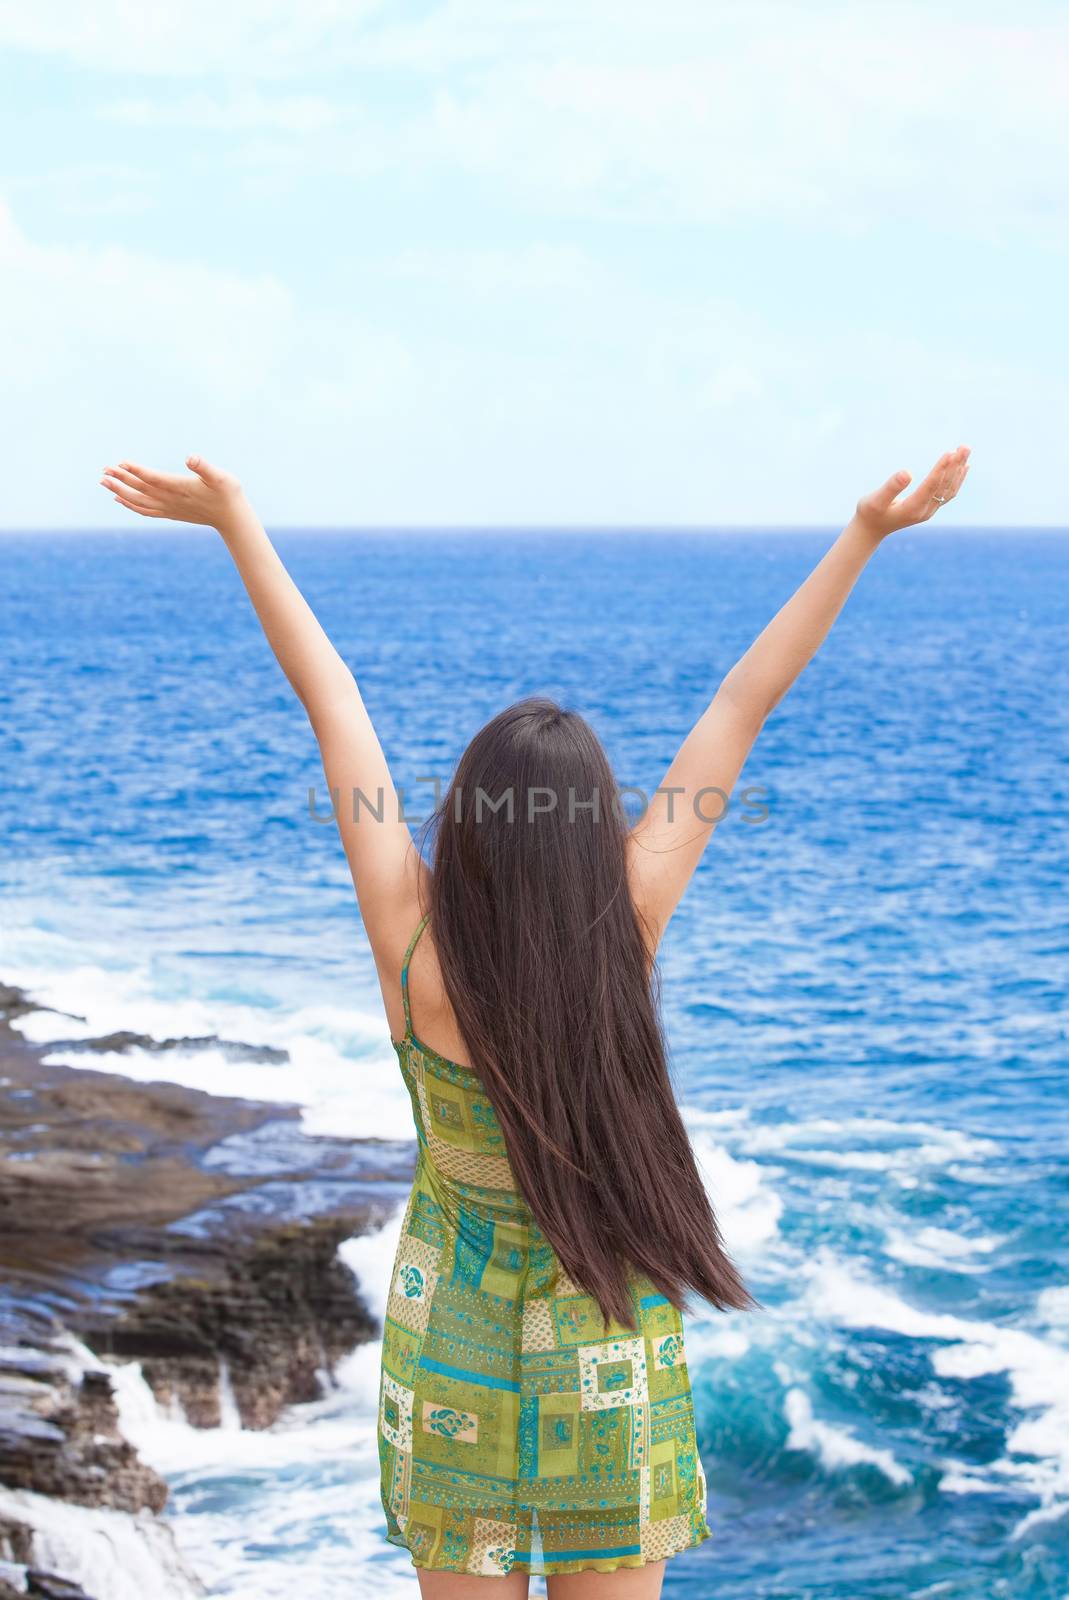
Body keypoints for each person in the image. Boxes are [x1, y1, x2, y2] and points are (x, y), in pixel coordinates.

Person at [100, 445, 970, 1597]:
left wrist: (235, 521)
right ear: (585, 841)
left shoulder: (412, 943)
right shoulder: (628, 922)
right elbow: (740, 706)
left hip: (450, 1342)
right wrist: (861, 533)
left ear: (466, 821)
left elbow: (333, 700)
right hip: (602, 1341)